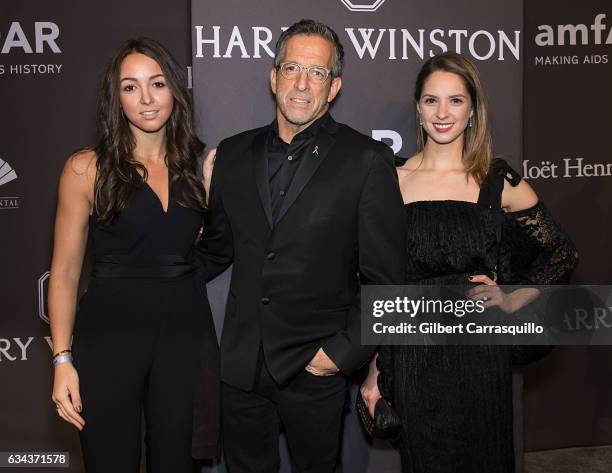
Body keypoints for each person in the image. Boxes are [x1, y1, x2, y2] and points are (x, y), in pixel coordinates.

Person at [197, 19, 406, 473]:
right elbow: (216, 250)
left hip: (315, 367)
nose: (301, 83)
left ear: (334, 87)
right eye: (291, 68)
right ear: (273, 78)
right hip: (241, 366)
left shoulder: (366, 160)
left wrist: (341, 354)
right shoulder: (232, 154)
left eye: (317, 73)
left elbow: (386, 280)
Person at [360, 52, 578, 473]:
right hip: (412, 353)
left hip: (479, 354)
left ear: (473, 109)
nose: (443, 113)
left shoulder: (497, 179)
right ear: (417, 109)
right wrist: (374, 370)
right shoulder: (392, 179)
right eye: (431, 101)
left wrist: (513, 296)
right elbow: (384, 283)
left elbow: (562, 251)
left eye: (455, 101)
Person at [48, 38, 219, 473]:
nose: (146, 98)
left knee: (177, 463)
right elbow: (65, 273)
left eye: (157, 83)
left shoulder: (200, 167)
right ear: (115, 97)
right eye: (130, 87)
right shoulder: (87, 168)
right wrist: (62, 360)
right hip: (108, 336)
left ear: (174, 91)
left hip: (183, 336)